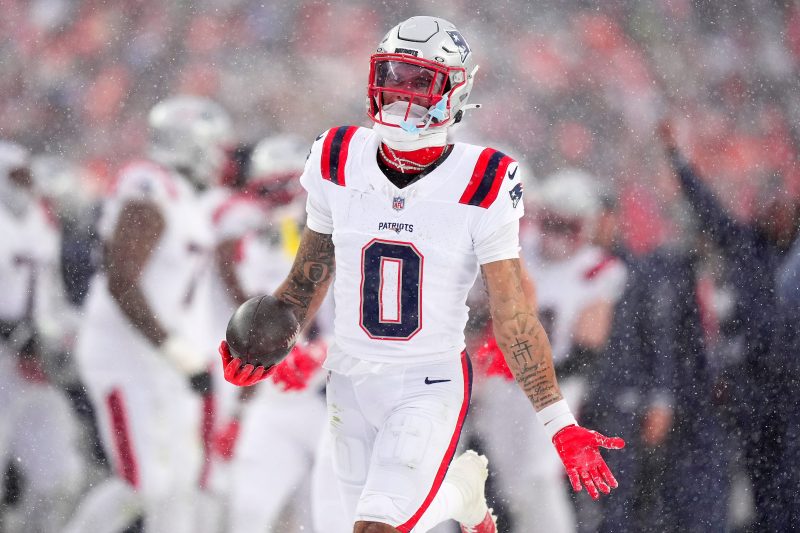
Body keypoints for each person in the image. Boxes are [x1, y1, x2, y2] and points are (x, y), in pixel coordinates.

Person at [218, 17, 624, 533]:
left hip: (427, 381)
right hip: (349, 377)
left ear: (456, 91)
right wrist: (266, 341)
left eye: (420, 80)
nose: (401, 92)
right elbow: (307, 279)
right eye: (394, 74)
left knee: (378, 527)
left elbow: (515, 313)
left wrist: (558, 421)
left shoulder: (486, 178)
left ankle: (454, 493)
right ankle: (458, 494)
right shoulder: (336, 155)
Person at [64, 96, 233, 533]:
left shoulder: (187, 197)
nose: (218, 156)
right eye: (212, 145)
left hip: (163, 356)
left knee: (178, 482)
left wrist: (187, 351)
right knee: (143, 485)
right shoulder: (150, 185)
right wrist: (173, 348)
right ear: (190, 144)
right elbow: (122, 279)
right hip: (125, 353)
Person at [658, 119, 800, 531]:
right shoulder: (745, 246)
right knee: (761, 480)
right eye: (769, 205)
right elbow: (707, 207)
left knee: (791, 480)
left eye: (783, 205)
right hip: (754, 387)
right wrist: (678, 160)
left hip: (793, 386)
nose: (776, 213)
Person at [0, 141, 85, 533]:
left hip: (34, 363)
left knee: (60, 474)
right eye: (16, 176)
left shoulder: (40, 219)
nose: (26, 184)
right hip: (6, 353)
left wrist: (64, 332)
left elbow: (52, 297)